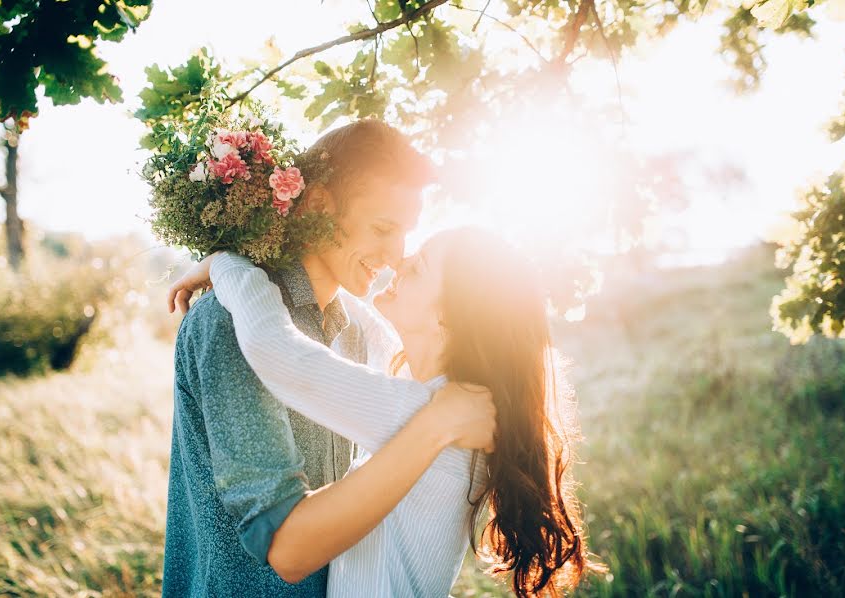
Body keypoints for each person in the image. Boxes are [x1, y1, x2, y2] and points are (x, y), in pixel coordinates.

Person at [161, 119, 497, 597]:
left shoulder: (355, 331)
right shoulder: (228, 321)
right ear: (318, 204)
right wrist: (227, 263)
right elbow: (282, 542)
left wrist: (224, 262)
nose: (397, 255)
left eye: (406, 234)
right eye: (384, 227)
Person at [169, 227, 596, 596]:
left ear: (449, 316)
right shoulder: (437, 396)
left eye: (421, 266)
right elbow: (362, 318)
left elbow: (279, 353)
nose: (401, 260)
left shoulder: (432, 411)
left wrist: (227, 264)